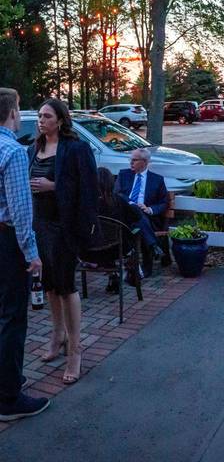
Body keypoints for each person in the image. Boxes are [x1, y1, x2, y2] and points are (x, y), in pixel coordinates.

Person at [29, 98, 100, 385]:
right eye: (39, 116)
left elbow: (89, 187)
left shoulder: (76, 148)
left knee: (66, 286)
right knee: (49, 285)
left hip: (66, 227)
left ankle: (75, 350)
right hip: (41, 226)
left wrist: (54, 186)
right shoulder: (34, 148)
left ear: (60, 120)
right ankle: (56, 336)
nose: (41, 120)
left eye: (46, 116)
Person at [0, 88, 49, 421]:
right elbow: (20, 209)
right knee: (13, 317)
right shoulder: (13, 152)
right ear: (12, 112)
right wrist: (32, 252)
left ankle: (8, 377)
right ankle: (8, 398)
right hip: (6, 242)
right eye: (19, 107)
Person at [113, 148, 170, 278]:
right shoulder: (124, 174)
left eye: (134, 160)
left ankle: (149, 257)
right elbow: (117, 194)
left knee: (140, 221)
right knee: (136, 211)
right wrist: (132, 204)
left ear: (144, 162)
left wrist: (149, 209)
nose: (130, 163)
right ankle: (153, 246)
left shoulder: (157, 180)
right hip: (125, 216)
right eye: (130, 159)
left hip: (146, 218)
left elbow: (163, 202)